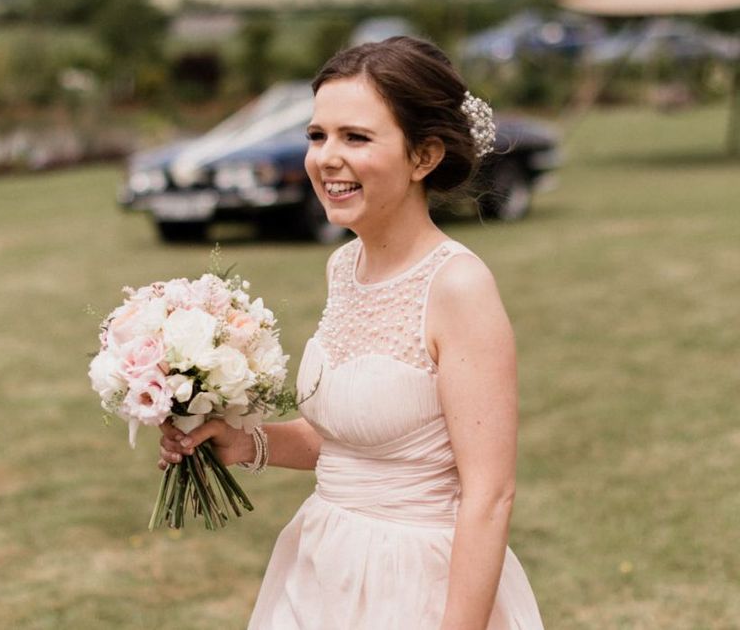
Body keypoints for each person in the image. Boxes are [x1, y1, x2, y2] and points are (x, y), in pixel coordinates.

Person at [158, 36, 544, 629]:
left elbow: (489, 497)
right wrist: (239, 441)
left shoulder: (458, 288)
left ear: (424, 156)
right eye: (318, 136)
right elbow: (345, 439)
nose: (325, 158)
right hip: (322, 564)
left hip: (418, 583)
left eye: (356, 137)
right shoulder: (345, 266)